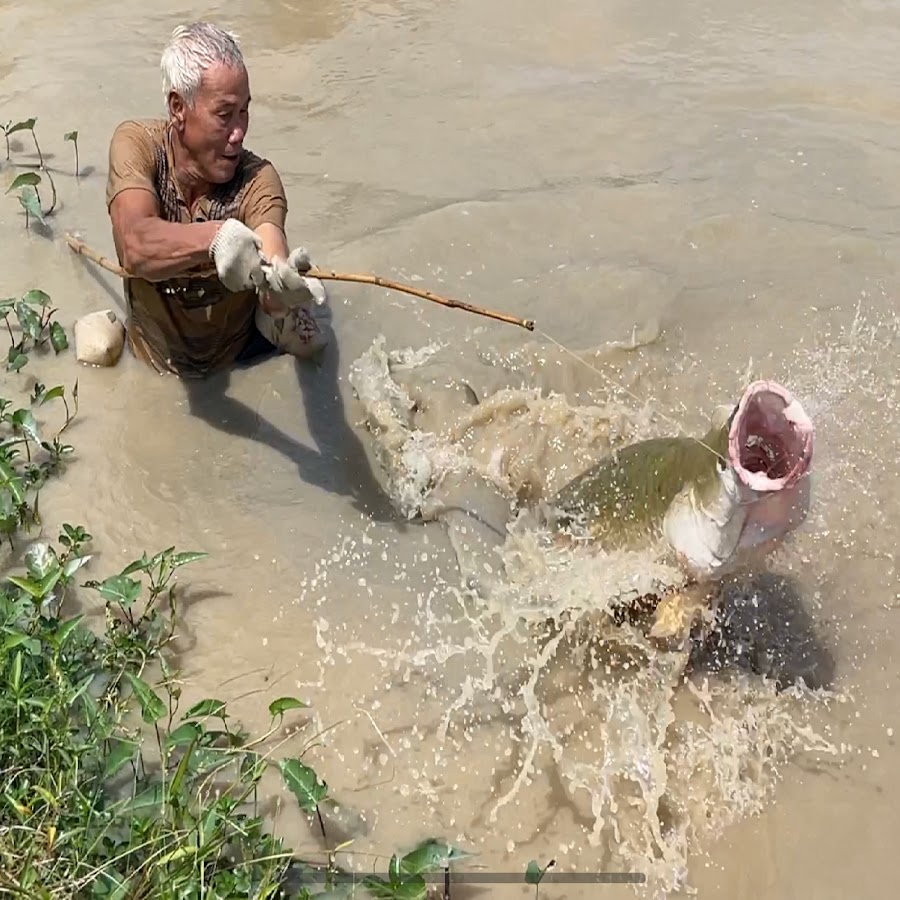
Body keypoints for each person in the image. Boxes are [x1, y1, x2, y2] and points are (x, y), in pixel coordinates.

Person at [105, 21, 328, 378]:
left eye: (244, 111)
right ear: (178, 107)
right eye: (225, 114)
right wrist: (216, 238)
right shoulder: (139, 145)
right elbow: (135, 245)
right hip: (153, 356)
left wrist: (279, 290)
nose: (239, 133)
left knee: (315, 344)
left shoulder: (257, 178)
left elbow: (271, 247)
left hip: (239, 357)